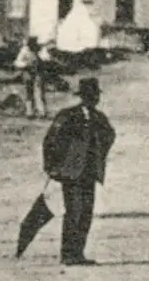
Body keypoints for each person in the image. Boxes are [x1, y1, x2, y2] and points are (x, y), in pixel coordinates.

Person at [42, 77, 116, 266]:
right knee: (74, 211)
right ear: (83, 97)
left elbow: (110, 135)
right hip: (71, 173)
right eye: (91, 96)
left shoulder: (99, 118)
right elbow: (51, 140)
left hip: (89, 172)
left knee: (86, 212)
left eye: (96, 96)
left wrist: (98, 156)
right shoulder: (68, 116)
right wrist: (53, 167)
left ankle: (79, 252)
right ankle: (68, 253)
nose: (94, 99)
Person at [14, 37, 46, 118]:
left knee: (39, 92)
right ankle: (29, 112)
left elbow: (46, 58)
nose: (33, 47)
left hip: (38, 73)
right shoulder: (24, 50)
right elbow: (17, 62)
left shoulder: (40, 50)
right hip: (28, 73)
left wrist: (41, 58)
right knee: (29, 92)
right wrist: (26, 64)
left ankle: (41, 112)